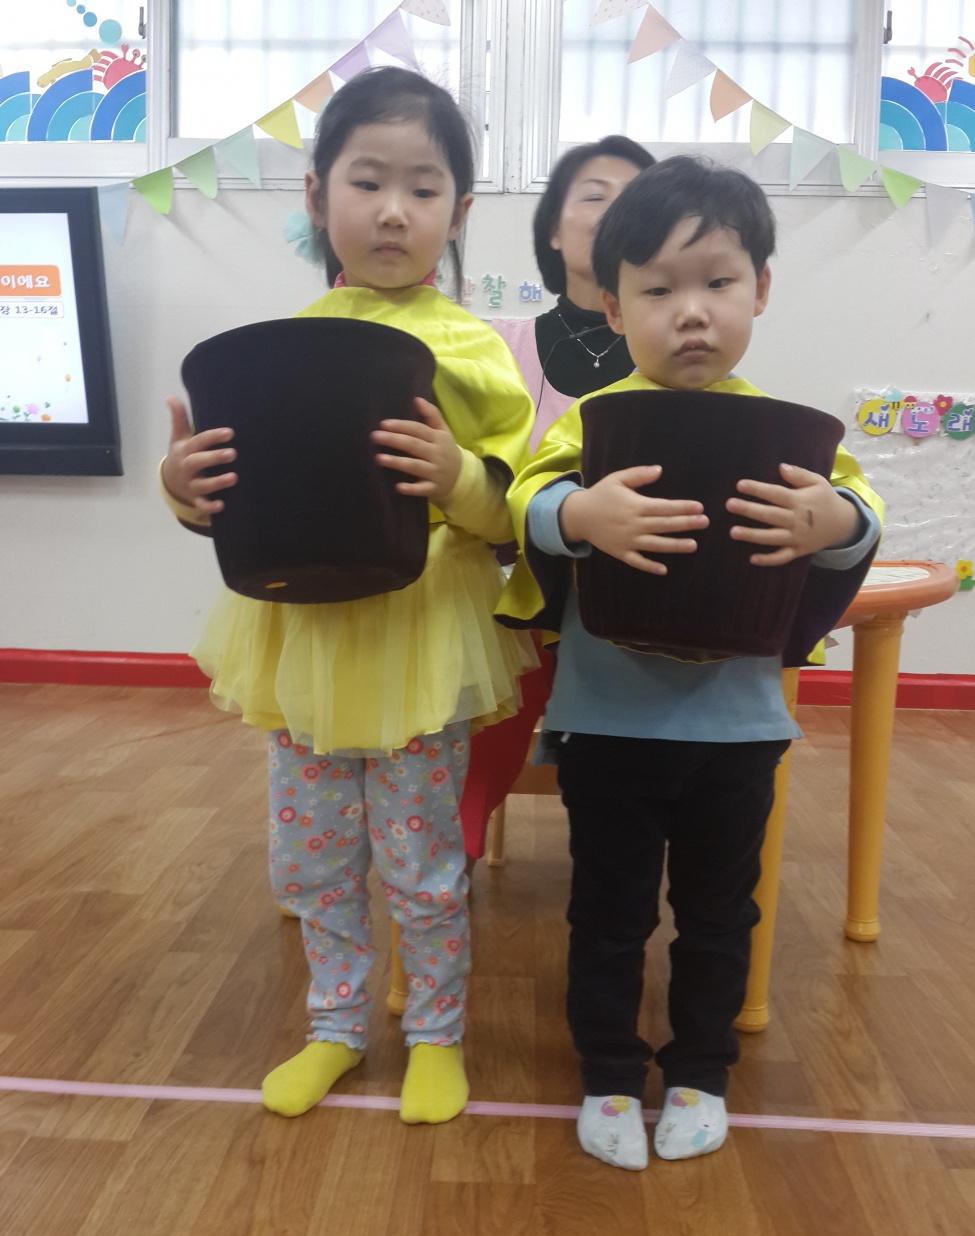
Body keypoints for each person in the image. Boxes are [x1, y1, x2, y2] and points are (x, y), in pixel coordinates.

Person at [161, 67, 536, 1125]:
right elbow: (243, 501)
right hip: (306, 642)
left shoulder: (475, 351)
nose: (392, 210)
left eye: (423, 187)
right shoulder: (282, 346)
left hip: (420, 637)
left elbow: (512, 511)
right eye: (367, 182)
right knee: (313, 858)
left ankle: (435, 1037)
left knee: (421, 864)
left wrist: (460, 478)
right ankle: (333, 1028)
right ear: (317, 194)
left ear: (459, 211)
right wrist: (183, 490)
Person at [497, 156, 884, 1169]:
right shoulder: (591, 421)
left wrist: (835, 518)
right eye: (657, 290)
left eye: (717, 282)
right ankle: (609, 1073)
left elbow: (859, 510)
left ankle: (701, 1071)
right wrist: (578, 512)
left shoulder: (786, 431)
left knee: (719, 914)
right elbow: (527, 497)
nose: (691, 313)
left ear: (760, 289)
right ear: (613, 307)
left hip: (738, 728)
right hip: (606, 722)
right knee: (608, 911)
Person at [460, 137, 654, 864]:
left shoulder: (683, 355)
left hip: (638, 606)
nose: (613, 214)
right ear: (552, 228)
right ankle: (442, 858)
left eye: (634, 201)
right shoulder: (492, 346)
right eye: (594, 196)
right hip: (510, 603)